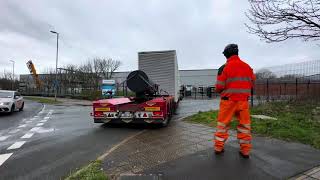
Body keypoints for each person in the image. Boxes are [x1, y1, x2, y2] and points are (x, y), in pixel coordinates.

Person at [214, 44, 256, 158]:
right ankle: (245, 151)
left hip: (228, 102)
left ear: (226, 54)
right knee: (244, 126)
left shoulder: (224, 68)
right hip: (243, 101)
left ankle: (218, 147)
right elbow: (252, 82)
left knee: (222, 125)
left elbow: (219, 87)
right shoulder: (248, 67)